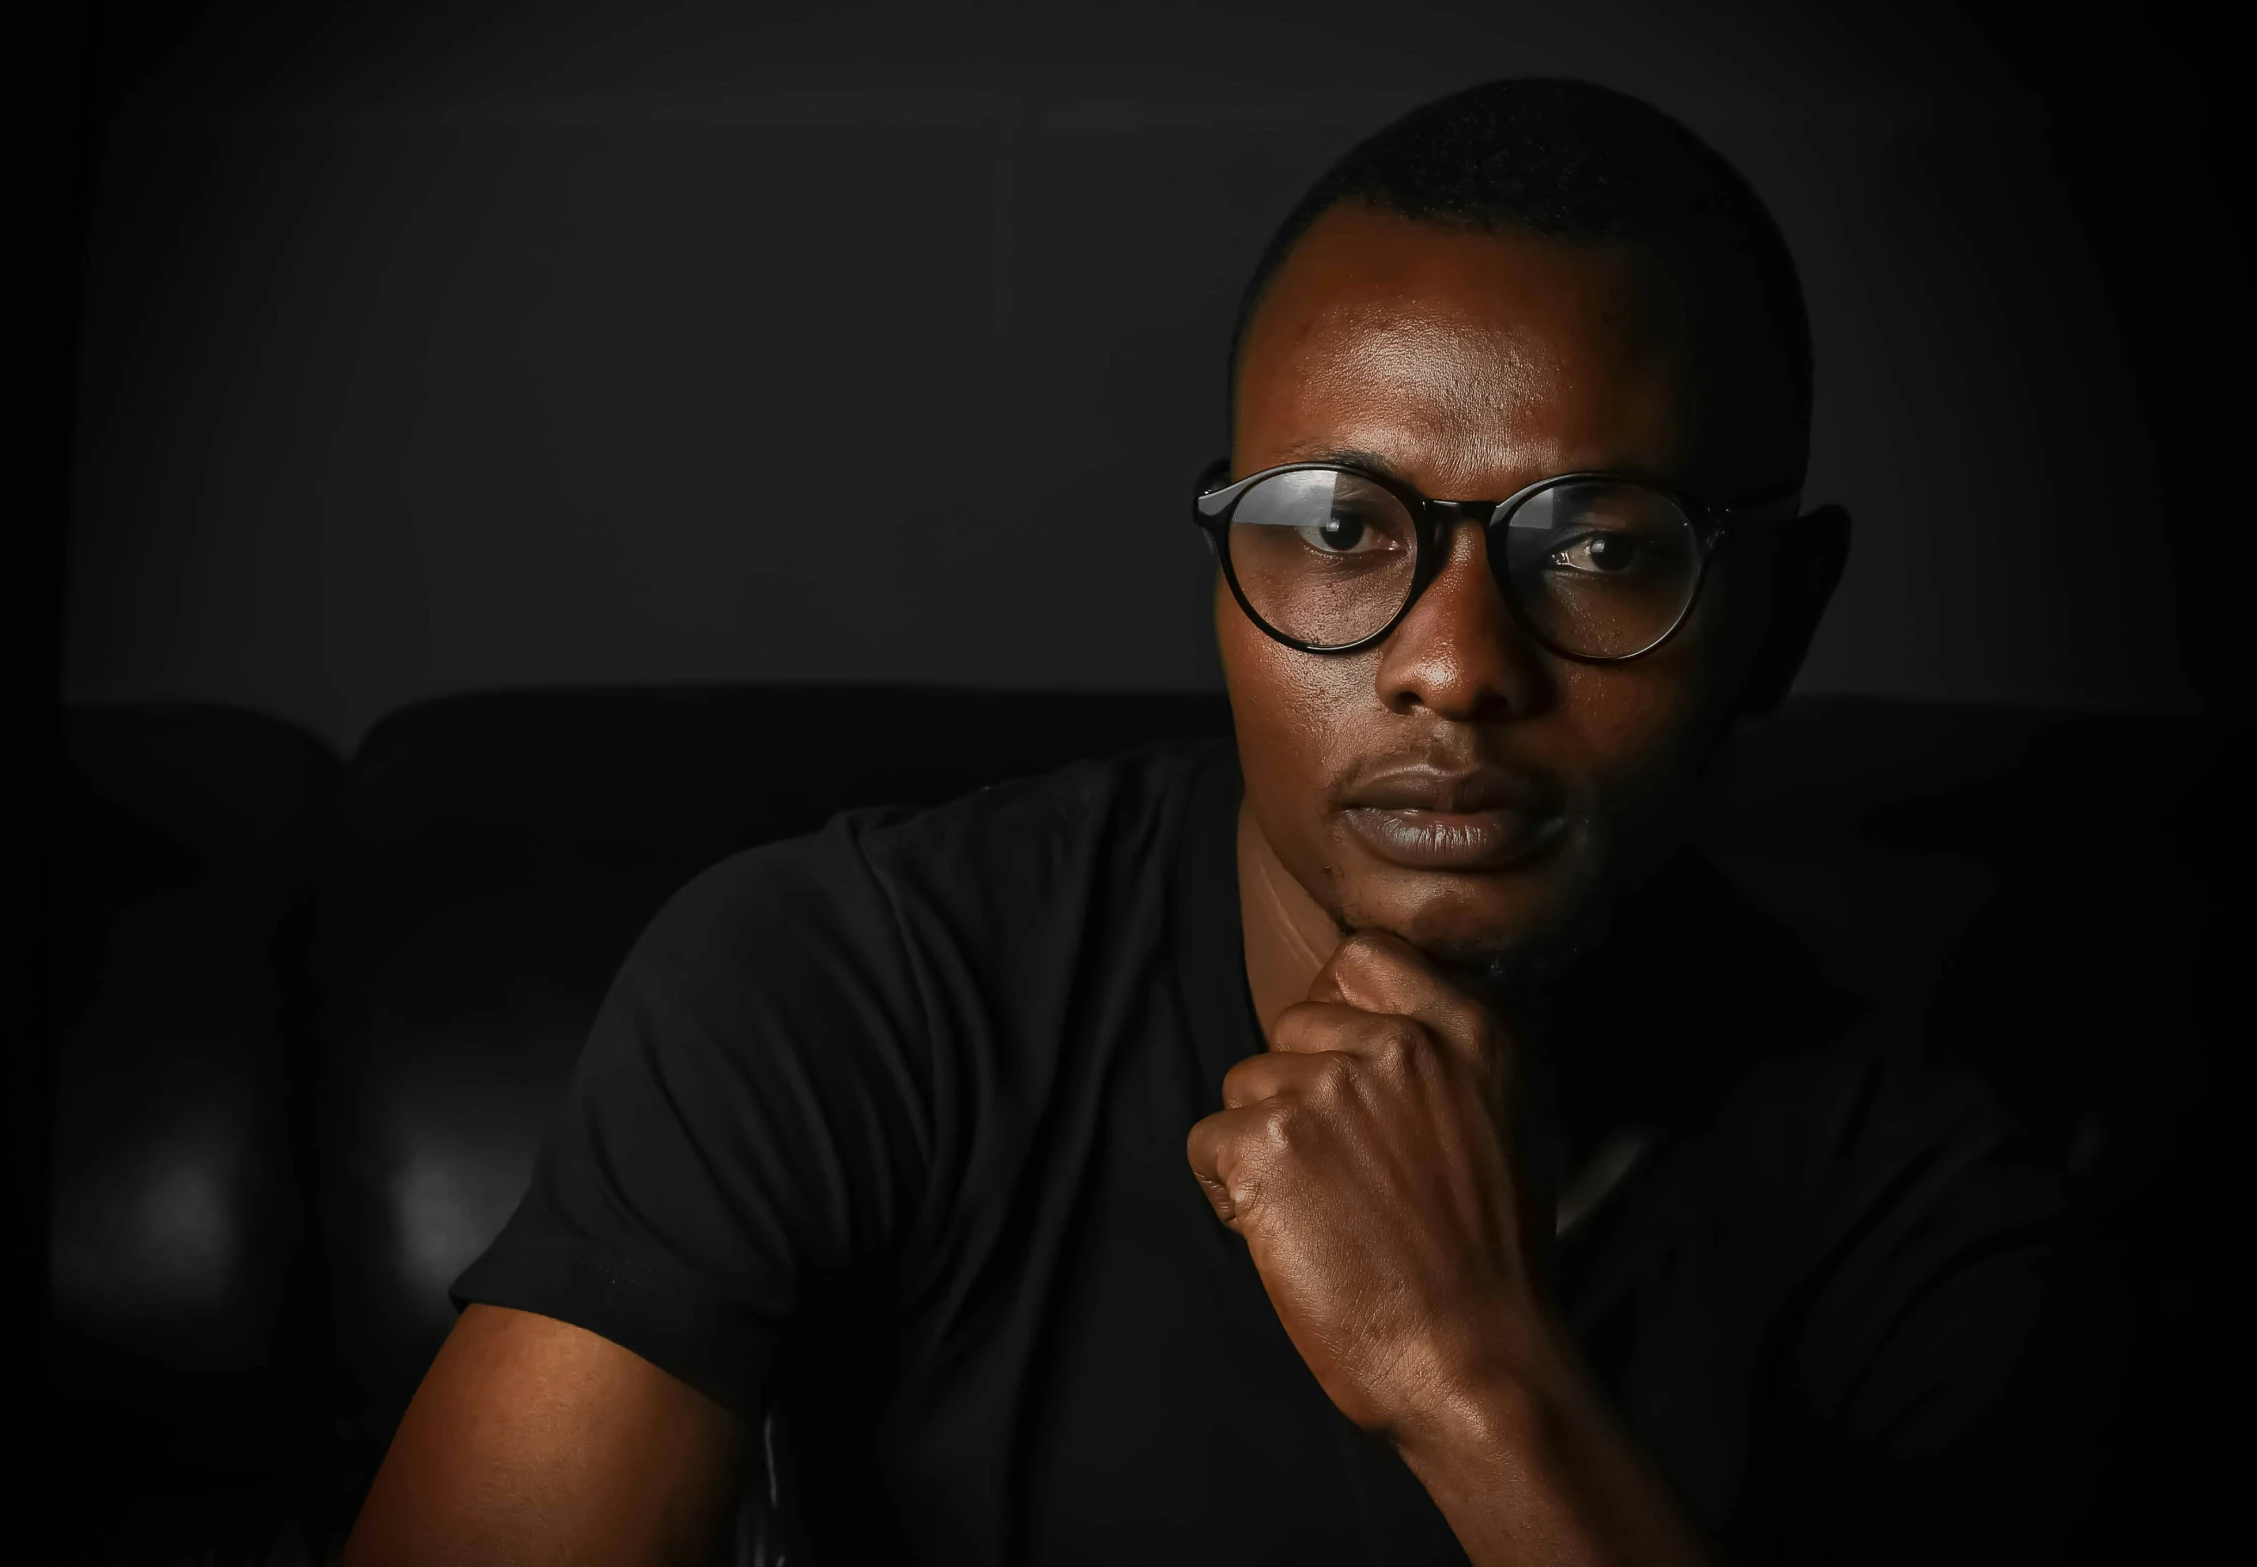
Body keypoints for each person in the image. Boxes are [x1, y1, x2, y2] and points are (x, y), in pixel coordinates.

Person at [344, 79, 2090, 1565]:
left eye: (1602, 543)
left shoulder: (1922, 1236)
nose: (1451, 666)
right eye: (1338, 528)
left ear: (1780, 614)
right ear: (1224, 577)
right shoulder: (845, 988)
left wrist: (1473, 1377)